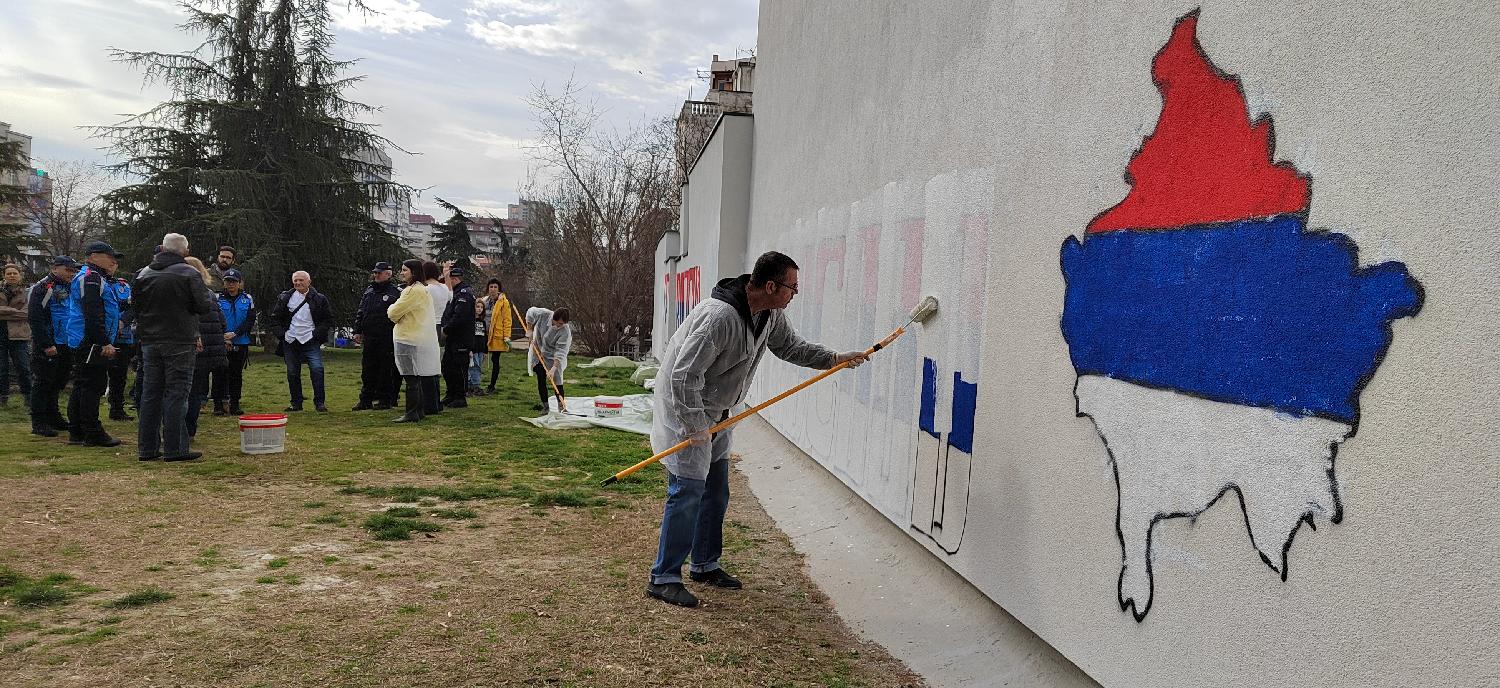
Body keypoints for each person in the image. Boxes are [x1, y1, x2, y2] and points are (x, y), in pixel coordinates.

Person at [644, 251, 868, 608]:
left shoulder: (769, 315)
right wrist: (694, 426)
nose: (795, 294)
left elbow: (792, 348)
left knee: (716, 490)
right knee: (687, 491)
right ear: (770, 285)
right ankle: (664, 577)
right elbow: (682, 376)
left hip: (719, 410)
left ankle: (704, 563)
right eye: (791, 287)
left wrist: (834, 359)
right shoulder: (720, 318)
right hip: (686, 407)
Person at [134, 233, 216, 462]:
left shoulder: (143, 273)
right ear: (184, 251)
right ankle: (175, 448)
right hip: (180, 339)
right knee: (177, 394)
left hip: (150, 340)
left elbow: (136, 306)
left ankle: (147, 448)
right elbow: (203, 306)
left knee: (151, 394)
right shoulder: (189, 273)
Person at [62, 241, 125, 447]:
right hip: (89, 339)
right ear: (94, 256)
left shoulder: (95, 277)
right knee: (92, 386)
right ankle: (92, 432)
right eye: (109, 256)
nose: (113, 261)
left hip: (86, 337)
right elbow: (92, 312)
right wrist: (103, 341)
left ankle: (77, 430)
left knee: (82, 384)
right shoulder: (91, 278)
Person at [27, 256, 79, 436]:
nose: (71, 273)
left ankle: (53, 415)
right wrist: (46, 343)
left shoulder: (69, 287)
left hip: (66, 341)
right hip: (49, 342)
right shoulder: (42, 288)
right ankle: (38, 421)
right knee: (43, 381)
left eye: (74, 270)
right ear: (55, 268)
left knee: (59, 381)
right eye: (68, 270)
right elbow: (35, 317)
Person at [269, 270, 333, 412]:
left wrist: (315, 334)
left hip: (310, 341)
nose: (298, 283)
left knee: (317, 369)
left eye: (301, 280)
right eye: (295, 280)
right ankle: (296, 404)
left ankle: (319, 403)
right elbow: (275, 319)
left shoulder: (320, 299)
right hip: (290, 341)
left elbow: (327, 320)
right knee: (292, 372)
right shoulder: (285, 298)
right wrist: (282, 335)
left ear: (309, 282)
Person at [386, 259, 439, 423]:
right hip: (419, 338)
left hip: (408, 337)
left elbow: (393, 313)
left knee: (411, 377)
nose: (401, 273)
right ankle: (419, 410)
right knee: (417, 376)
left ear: (414, 272)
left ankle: (412, 412)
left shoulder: (412, 291)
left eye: (404, 270)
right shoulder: (423, 290)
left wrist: (390, 308)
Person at [182, 257, 227, 439]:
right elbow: (221, 322)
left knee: (187, 390)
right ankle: (190, 430)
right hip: (210, 348)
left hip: (192, 346)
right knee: (196, 390)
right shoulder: (209, 294)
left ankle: (182, 429)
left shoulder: (186, 294)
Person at [352, 262, 401, 411]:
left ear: (388, 274)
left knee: (386, 369)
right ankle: (365, 399)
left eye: (379, 273)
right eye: (375, 273)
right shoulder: (369, 291)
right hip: (370, 335)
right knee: (368, 369)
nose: (376, 275)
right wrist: (357, 330)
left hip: (386, 336)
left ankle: (385, 399)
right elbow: (361, 311)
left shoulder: (395, 292)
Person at [214, 269, 255, 416]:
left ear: (239, 283)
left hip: (240, 340)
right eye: (227, 281)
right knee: (219, 373)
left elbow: (250, 320)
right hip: (221, 340)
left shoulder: (247, 298)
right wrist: (223, 336)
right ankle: (218, 404)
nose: (230, 284)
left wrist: (236, 333)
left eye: (233, 281)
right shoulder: (217, 298)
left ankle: (235, 404)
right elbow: (214, 318)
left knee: (236, 374)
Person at [439, 266, 475, 408]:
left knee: (459, 368)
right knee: (447, 367)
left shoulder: (464, 294)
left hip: (461, 338)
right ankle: (451, 393)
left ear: (454, 279)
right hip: (453, 338)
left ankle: (460, 396)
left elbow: (459, 317)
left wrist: (446, 329)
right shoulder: (457, 293)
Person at [524, 306, 572, 412]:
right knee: (541, 376)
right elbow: (530, 312)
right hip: (538, 350)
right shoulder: (543, 314)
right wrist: (529, 329)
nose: (559, 326)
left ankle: (562, 406)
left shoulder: (565, 331)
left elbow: (561, 350)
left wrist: (554, 368)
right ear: (553, 318)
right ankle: (545, 406)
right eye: (558, 323)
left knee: (557, 380)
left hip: (552, 356)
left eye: (562, 324)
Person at [0, 264, 32, 409]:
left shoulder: (26, 293)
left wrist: (4, 312)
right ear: (4, 276)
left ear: (19, 275)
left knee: (23, 368)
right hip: (1, 334)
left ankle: (29, 397)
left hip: (19, 335)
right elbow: (20, 313)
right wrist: (14, 310)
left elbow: (26, 314)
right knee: (1, 369)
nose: (12, 275)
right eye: (9, 273)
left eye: (14, 273)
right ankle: (3, 398)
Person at [105, 275, 136, 421]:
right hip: (103, 334)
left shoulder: (123, 285)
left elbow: (133, 306)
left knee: (120, 375)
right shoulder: (95, 282)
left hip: (123, 336)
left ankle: (117, 408)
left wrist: (123, 321)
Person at [420, 261, 448, 415]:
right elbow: (450, 295)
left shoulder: (426, 290)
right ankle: (436, 401)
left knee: (426, 366)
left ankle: (428, 402)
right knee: (435, 365)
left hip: (430, 326)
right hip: (442, 327)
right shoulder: (443, 288)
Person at [482, 278, 514, 394]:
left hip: (497, 335)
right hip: (484, 333)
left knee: (495, 360)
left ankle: (492, 385)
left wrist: (507, 336)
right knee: (479, 357)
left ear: (499, 289)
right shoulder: (484, 301)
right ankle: (474, 383)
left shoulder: (503, 302)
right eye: (491, 287)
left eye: (495, 287)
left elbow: (507, 320)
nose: (493, 289)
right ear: (488, 288)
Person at [468, 298, 488, 396]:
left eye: (481, 307)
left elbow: (485, 337)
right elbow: (469, 335)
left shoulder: (483, 322)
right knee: (474, 367)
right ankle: (476, 386)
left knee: (478, 367)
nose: (479, 309)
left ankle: (471, 386)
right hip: (473, 349)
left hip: (481, 349)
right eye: (477, 307)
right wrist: (470, 349)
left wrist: (485, 351)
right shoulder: (470, 321)